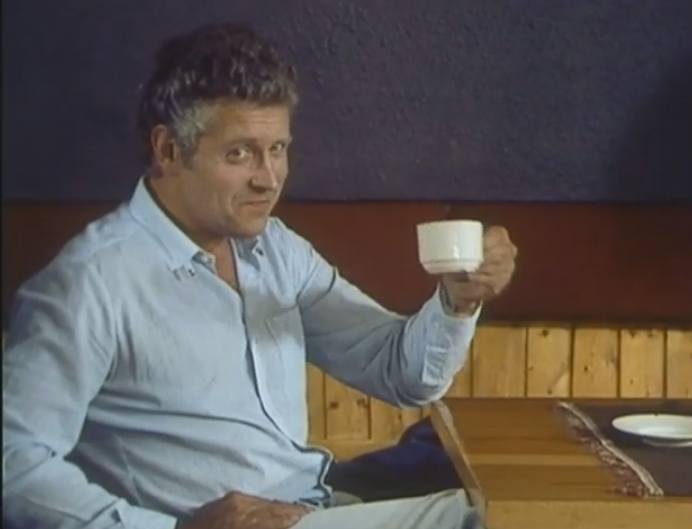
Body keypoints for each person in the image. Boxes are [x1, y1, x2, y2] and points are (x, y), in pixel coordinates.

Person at [2, 22, 517, 529]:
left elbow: (400, 372)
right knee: (488, 518)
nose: (269, 179)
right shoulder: (88, 284)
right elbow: (14, 466)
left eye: (277, 149)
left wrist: (458, 299)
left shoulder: (276, 250)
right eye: (240, 153)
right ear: (168, 151)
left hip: (317, 508)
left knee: (508, 498)